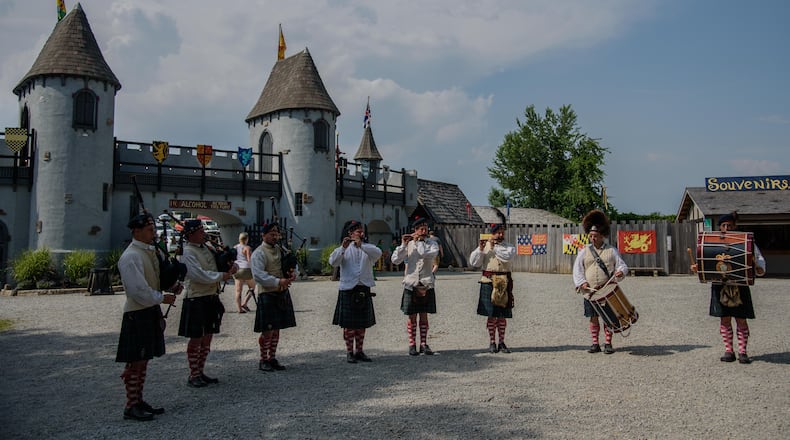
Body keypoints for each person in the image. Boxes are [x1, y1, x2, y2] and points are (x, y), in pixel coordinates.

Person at [116, 213, 181, 421]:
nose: (153, 232)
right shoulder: (131, 256)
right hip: (137, 312)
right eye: (150, 229)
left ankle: (139, 400)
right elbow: (138, 291)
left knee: (143, 361)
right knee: (135, 362)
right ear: (136, 231)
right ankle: (130, 405)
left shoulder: (149, 252)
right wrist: (162, 298)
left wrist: (171, 286)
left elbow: (154, 280)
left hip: (148, 311)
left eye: (153, 229)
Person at [691, 212, 766, 364]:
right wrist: (697, 268)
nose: (726, 228)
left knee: (741, 319)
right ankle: (728, 351)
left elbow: (759, 261)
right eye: (724, 225)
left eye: (729, 225)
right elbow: (706, 262)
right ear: (720, 227)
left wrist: (759, 268)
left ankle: (743, 352)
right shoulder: (712, 243)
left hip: (740, 285)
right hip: (720, 284)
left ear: (734, 226)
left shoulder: (745, 241)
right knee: (724, 319)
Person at [178, 220, 237, 388]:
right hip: (196, 298)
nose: (204, 233)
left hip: (211, 295)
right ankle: (193, 374)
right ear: (191, 234)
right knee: (196, 338)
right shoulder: (187, 252)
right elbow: (198, 275)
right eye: (200, 231)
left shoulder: (207, 248)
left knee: (208, 335)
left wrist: (231, 267)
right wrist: (222, 276)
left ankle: (201, 370)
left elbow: (221, 264)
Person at [572, 210, 628, 355]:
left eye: (595, 236)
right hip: (590, 292)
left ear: (602, 235)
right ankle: (595, 343)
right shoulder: (584, 251)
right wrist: (581, 282)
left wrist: (620, 272)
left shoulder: (612, 250)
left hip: (607, 290)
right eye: (590, 236)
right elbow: (577, 269)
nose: (592, 238)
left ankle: (608, 343)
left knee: (608, 317)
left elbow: (622, 265)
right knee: (593, 317)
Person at [328, 220, 382, 363]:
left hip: (363, 287)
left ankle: (359, 351)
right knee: (349, 326)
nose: (361, 233)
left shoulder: (368, 248)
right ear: (350, 233)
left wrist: (361, 246)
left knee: (361, 325)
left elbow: (378, 253)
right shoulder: (343, 249)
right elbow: (333, 262)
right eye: (358, 231)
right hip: (348, 288)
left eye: (361, 231)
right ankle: (349, 352)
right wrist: (342, 248)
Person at [251, 222, 298, 372]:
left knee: (276, 329)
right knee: (268, 330)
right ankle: (263, 359)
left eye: (276, 233)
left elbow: (290, 263)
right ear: (263, 235)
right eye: (271, 233)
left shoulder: (280, 249)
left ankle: (272, 357)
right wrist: (278, 281)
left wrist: (292, 273)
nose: (274, 236)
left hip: (281, 292)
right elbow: (258, 275)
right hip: (268, 293)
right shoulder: (258, 252)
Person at [391, 217, 440, 356]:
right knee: (411, 316)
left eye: (425, 229)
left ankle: (424, 344)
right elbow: (395, 260)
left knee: (424, 316)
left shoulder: (432, 244)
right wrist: (403, 245)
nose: (424, 231)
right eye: (421, 229)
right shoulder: (408, 244)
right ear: (415, 230)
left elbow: (425, 253)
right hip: (411, 283)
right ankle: (412, 344)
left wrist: (418, 242)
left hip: (426, 282)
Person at [469, 223, 517, 353]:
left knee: (502, 315)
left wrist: (494, 247)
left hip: (503, 282)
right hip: (488, 281)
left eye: (502, 232)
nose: (500, 235)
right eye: (498, 232)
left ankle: (501, 342)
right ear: (492, 233)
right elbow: (474, 263)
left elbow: (506, 257)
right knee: (491, 315)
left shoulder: (508, 247)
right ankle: (492, 342)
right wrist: (480, 248)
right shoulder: (485, 247)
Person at [233, 232, 256, 313]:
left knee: (238, 290)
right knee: (252, 287)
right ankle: (245, 302)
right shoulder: (247, 248)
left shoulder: (235, 247)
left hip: (237, 269)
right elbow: (249, 260)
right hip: (246, 269)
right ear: (246, 239)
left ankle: (239, 309)